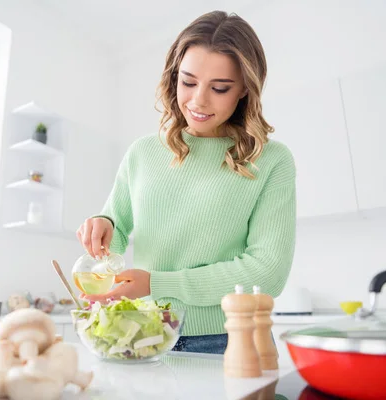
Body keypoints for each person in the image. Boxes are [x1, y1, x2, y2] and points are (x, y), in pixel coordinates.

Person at [76, 10, 296, 355]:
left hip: (232, 341)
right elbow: (115, 232)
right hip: (146, 334)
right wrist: (104, 224)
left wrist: (158, 284)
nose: (198, 101)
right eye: (188, 82)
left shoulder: (271, 160)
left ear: (244, 91)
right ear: (173, 77)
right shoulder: (143, 152)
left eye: (220, 88)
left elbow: (267, 273)